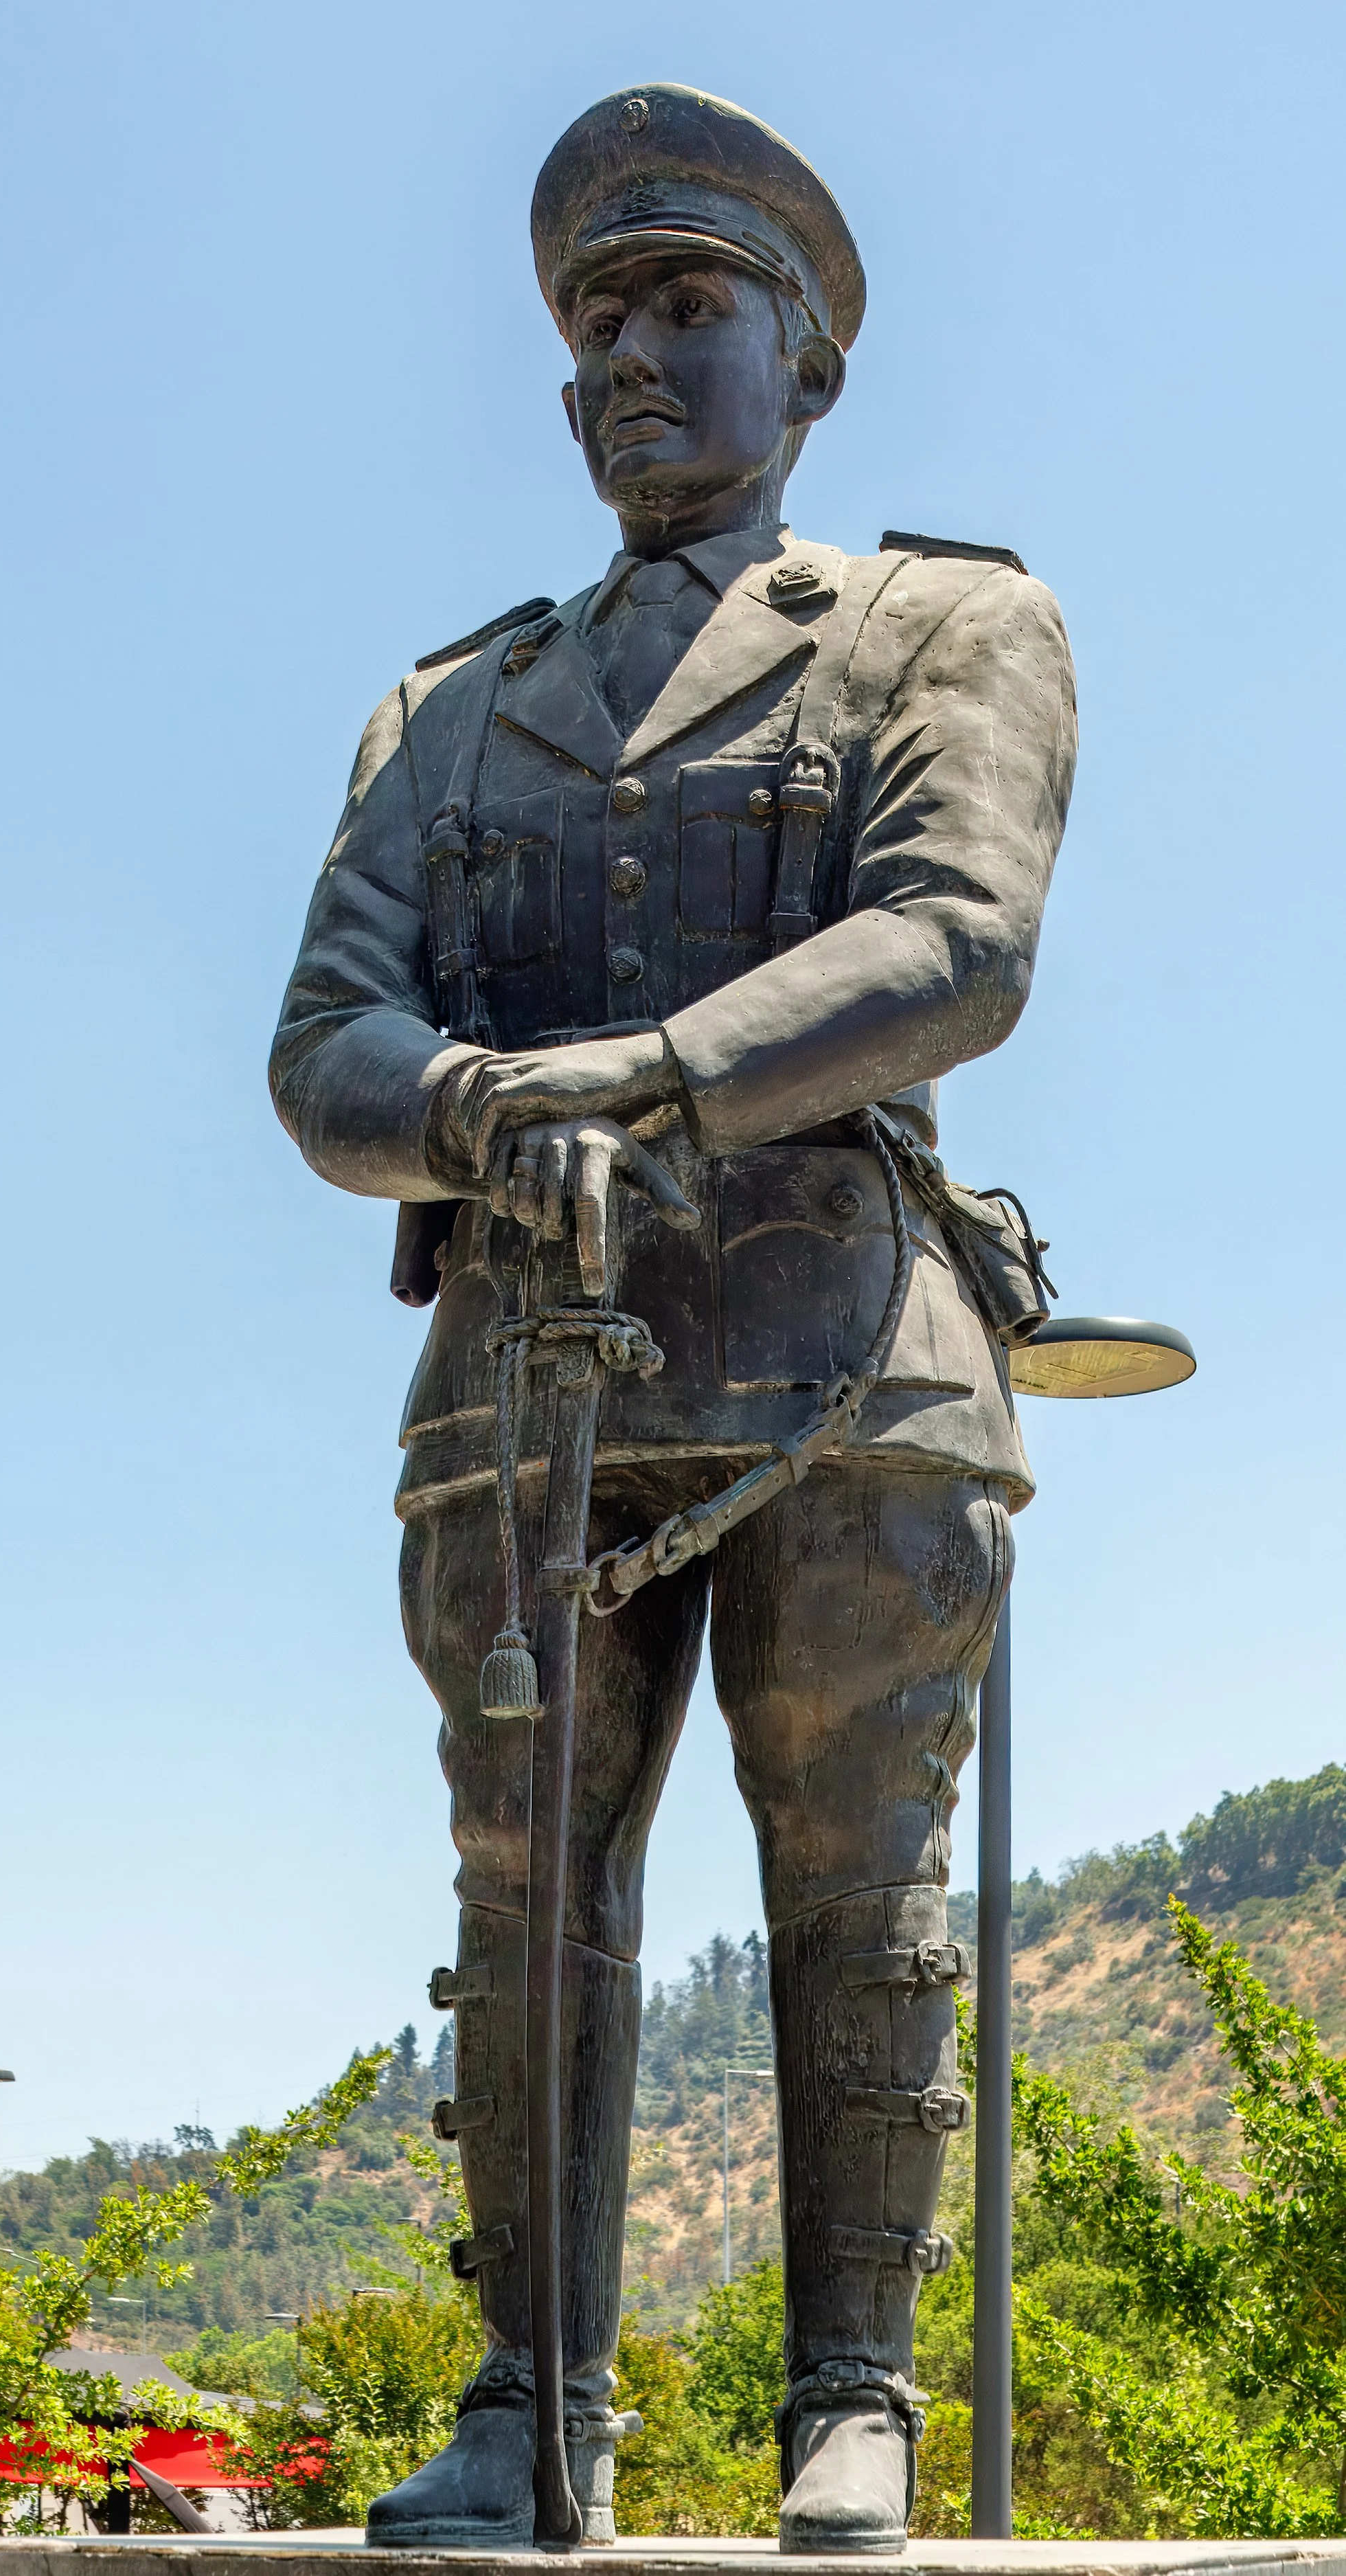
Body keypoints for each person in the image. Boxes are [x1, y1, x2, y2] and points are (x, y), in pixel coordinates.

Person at [269, 82, 1075, 2553]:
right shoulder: (445, 709)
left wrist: (649, 1072)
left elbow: (956, 936)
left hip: (844, 1352)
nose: (632, 357)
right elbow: (327, 1042)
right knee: (522, 1889)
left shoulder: (951, 622)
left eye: (687, 306)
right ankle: (531, 2406)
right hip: (524, 1380)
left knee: (855, 1882)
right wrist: (490, 1101)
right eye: (598, 323)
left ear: (805, 362)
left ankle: (854, 2392)